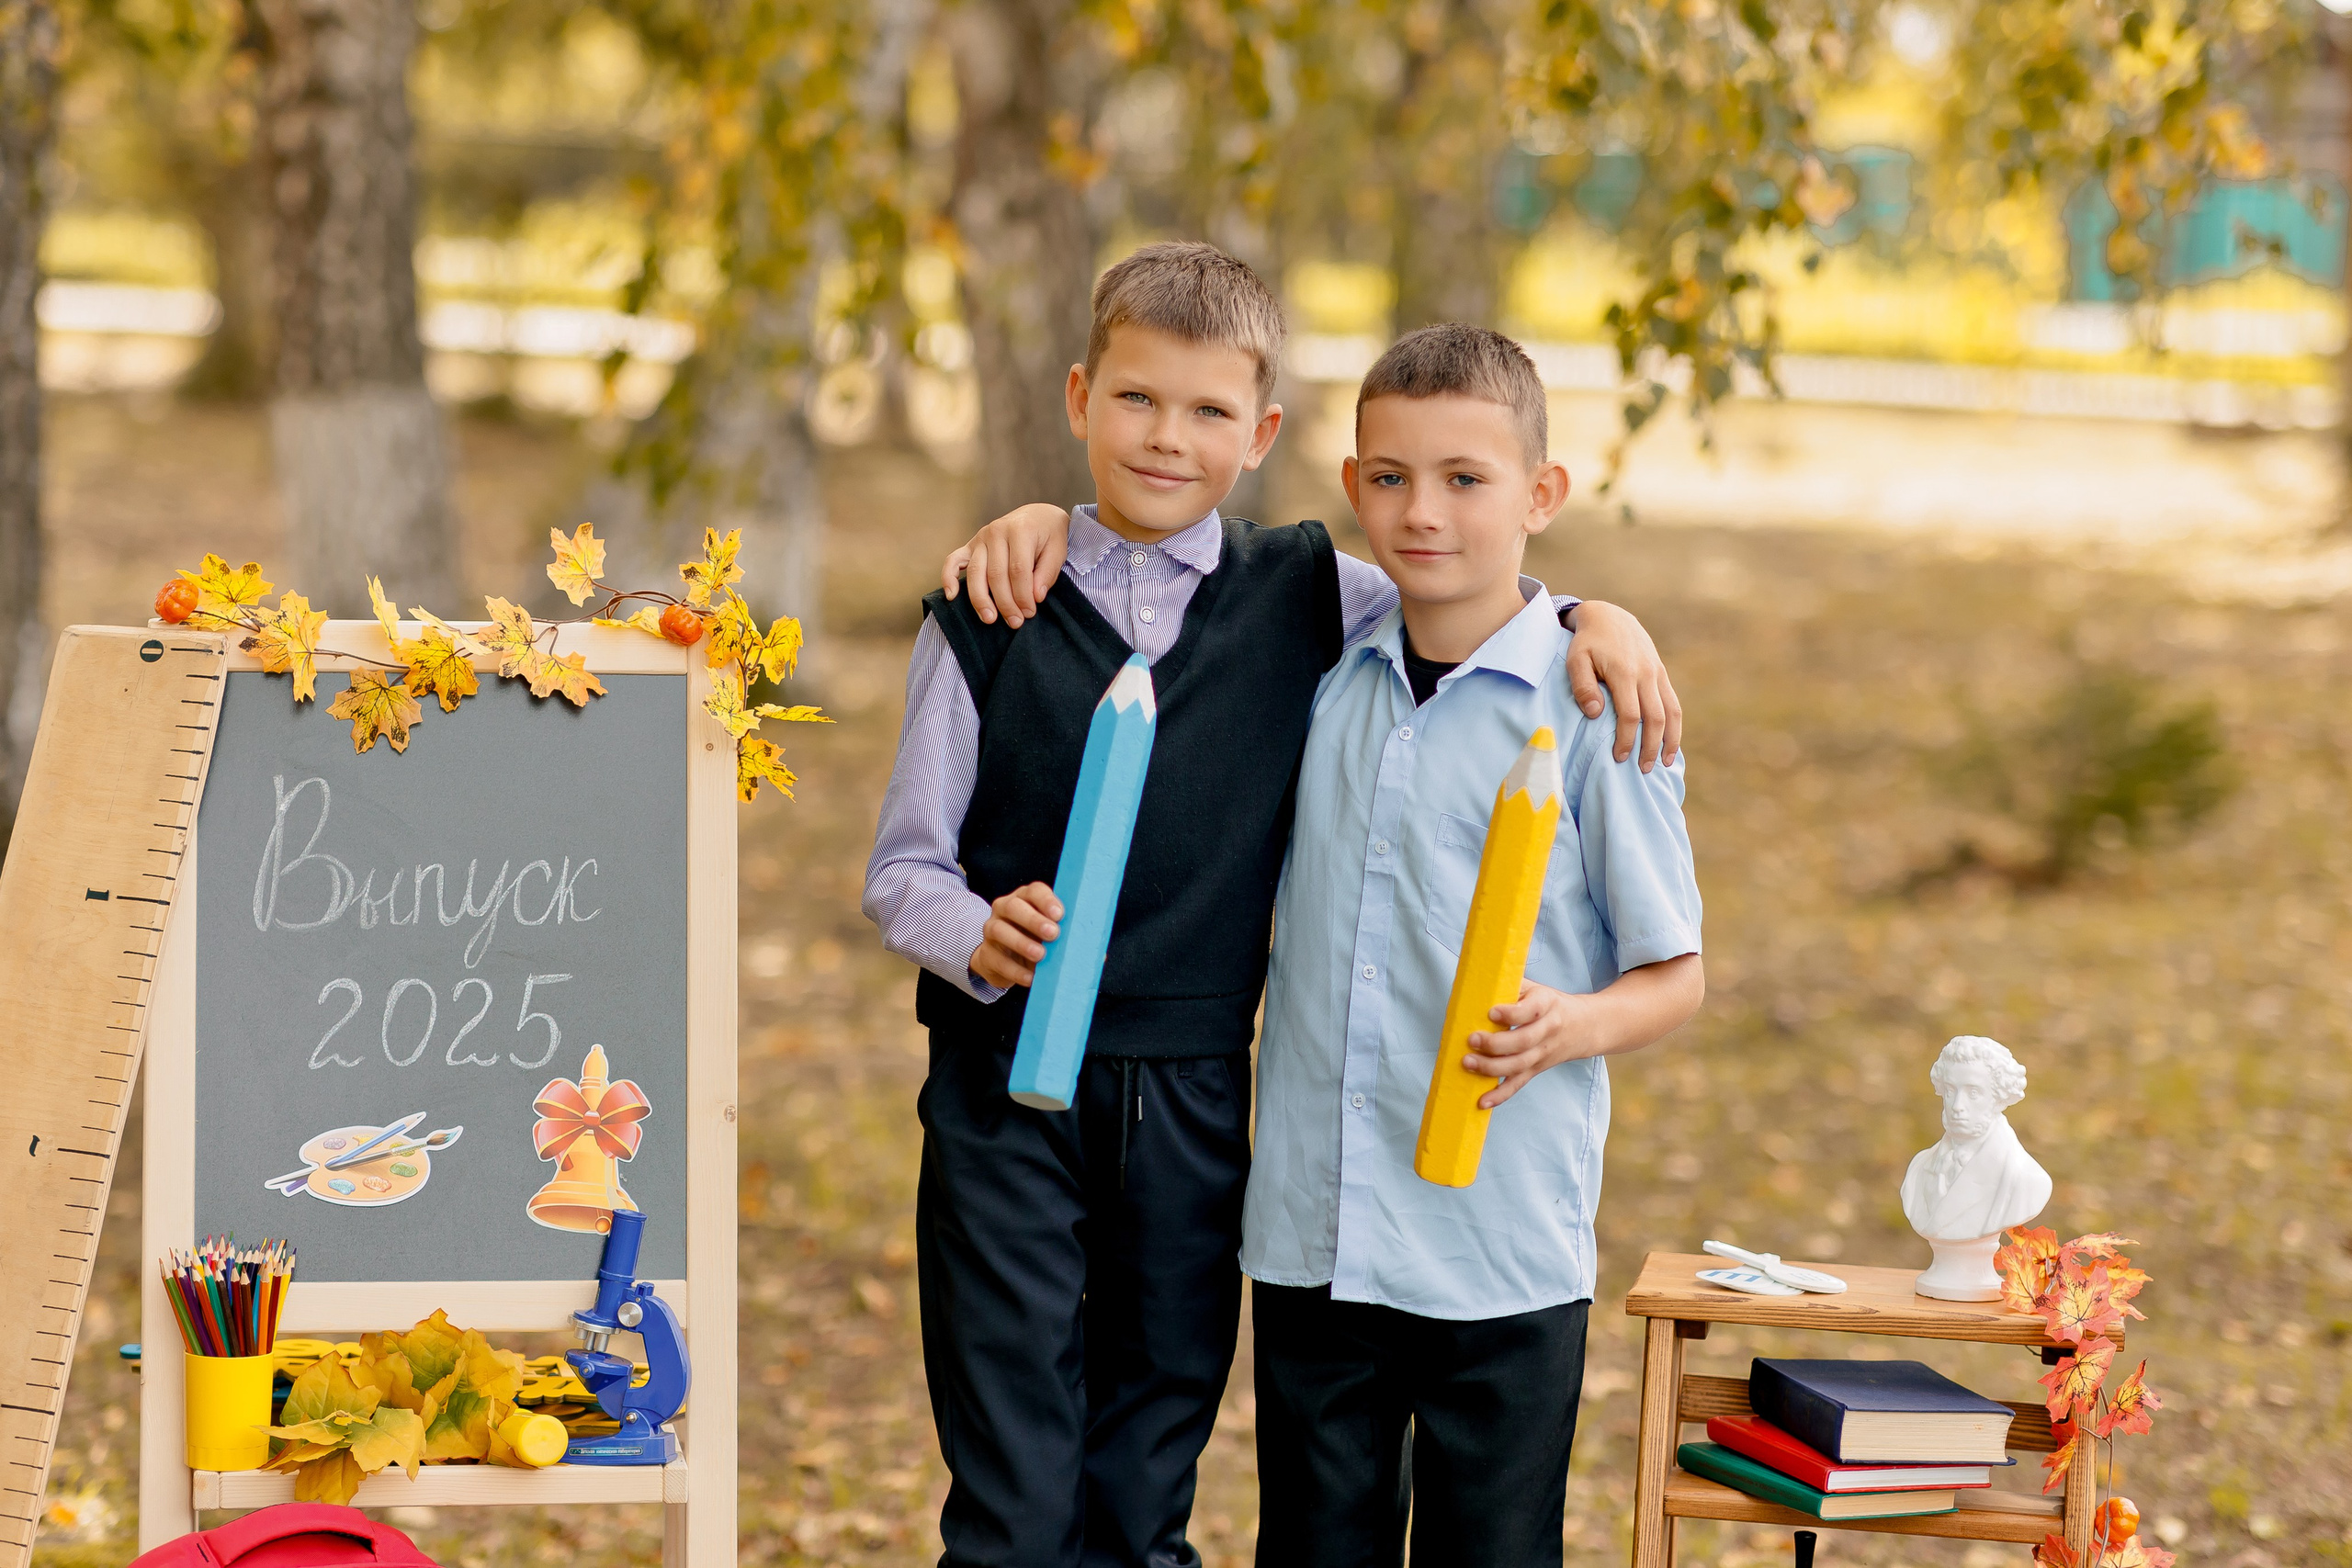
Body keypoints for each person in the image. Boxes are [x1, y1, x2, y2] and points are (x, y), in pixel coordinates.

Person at [862, 243, 1676, 1568]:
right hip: (1000, 1086)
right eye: (1135, 401)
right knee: (1010, 1501)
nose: (1166, 438)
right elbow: (902, 871)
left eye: (1206, 412)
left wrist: (1597, 614)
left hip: (1192, 1102)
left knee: (1144, 1488)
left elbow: (1470, 594)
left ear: (1264, 435)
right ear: (1078, 399)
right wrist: (973, 935)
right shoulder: (989, 605)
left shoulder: (1312, 596)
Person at [1244, 324, 1704, 1567]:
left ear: (1541, 496)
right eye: (1389, 478)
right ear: (1351, 489)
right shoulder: (1323, 671)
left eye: (1465, 479)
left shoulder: (1597, 705)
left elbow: (1677, 974)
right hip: (1315, 1234)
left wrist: (1575, 1024)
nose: (1422, 512)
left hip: (1497, 1248)